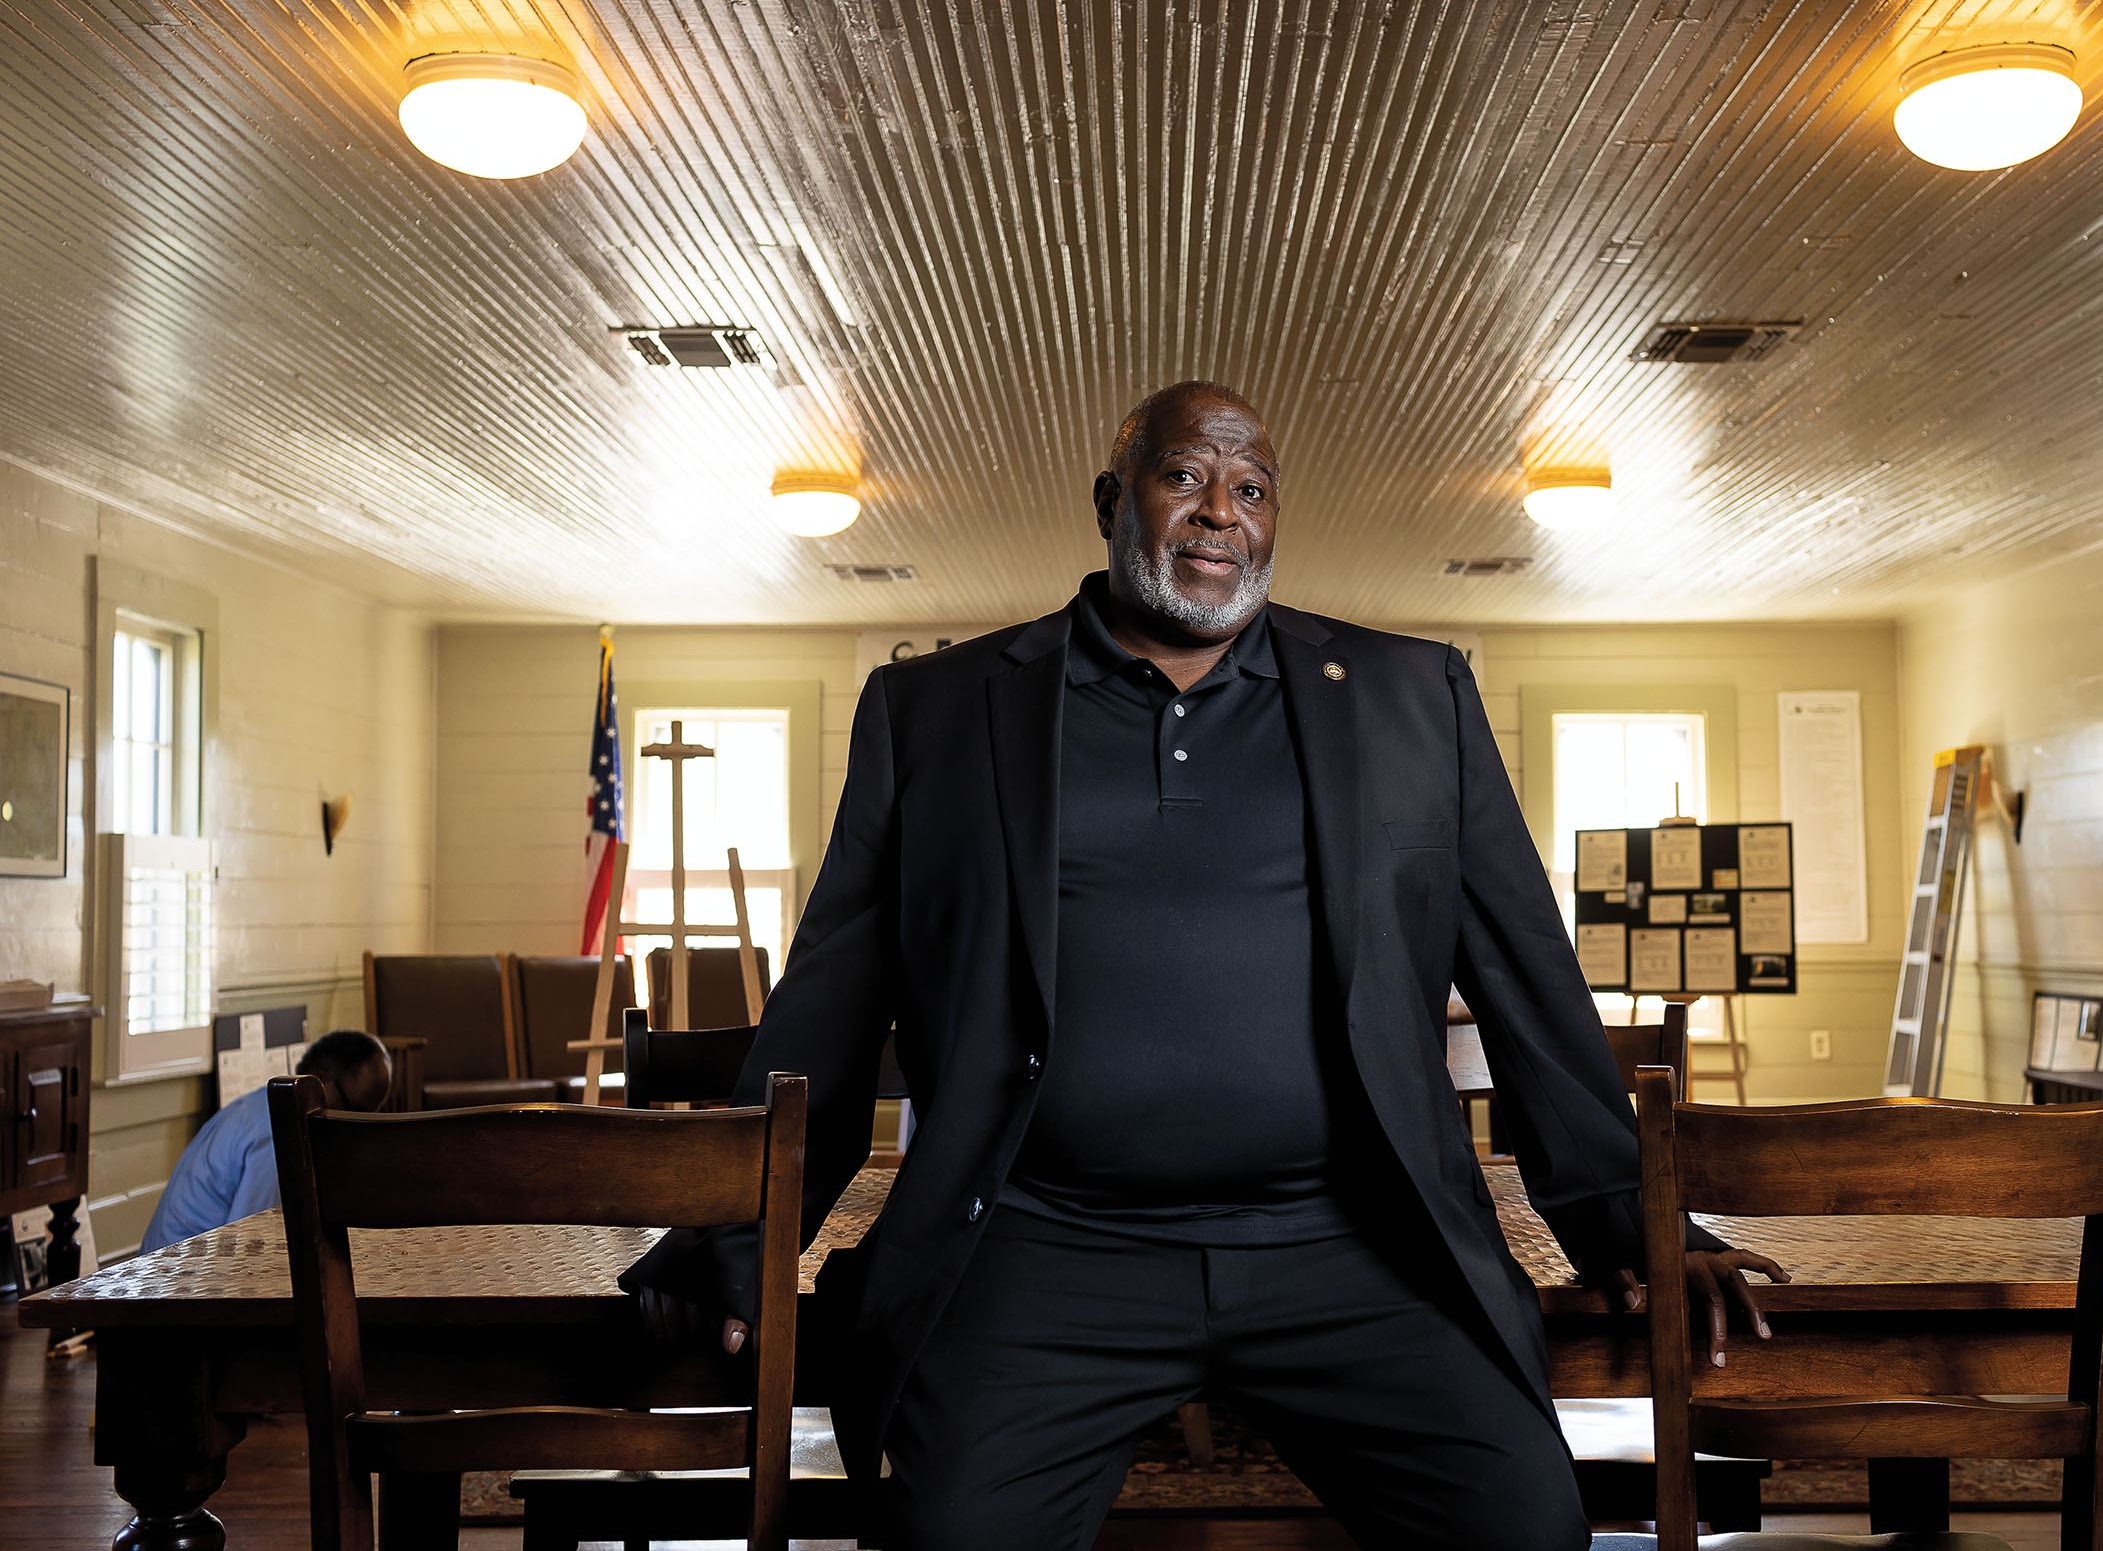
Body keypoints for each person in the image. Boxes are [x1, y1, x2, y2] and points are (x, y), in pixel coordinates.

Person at [625, 382, 1785, 1549]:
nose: (1219, 511)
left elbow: (1529, 982)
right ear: (1112, 501)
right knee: (947, 1536)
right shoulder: (934, 709)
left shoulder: (1409, 697)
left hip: (1353, 1245)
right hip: (1043, 1246)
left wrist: (1642, 1223)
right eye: (1184, 476)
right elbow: (830, 1000)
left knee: (1526, 1528)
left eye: (1252, 487)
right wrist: (730, 1234)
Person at [140, 1030, 391, 1252]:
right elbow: (251, 1246)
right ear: (318, 1080)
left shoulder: (262, 1106)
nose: (357, 1124)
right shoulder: (275, 1132)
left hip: (197, 1264)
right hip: (178, 1280)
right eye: (354, 1109)